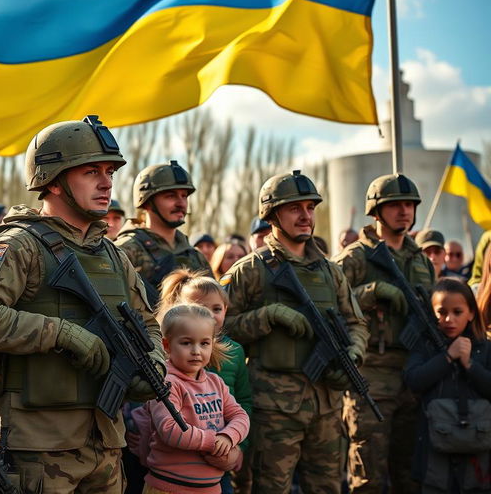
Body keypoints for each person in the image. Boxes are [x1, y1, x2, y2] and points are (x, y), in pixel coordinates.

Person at [0, 115, 165, 494]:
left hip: (106, 446)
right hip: (37, 449)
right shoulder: (19, 244)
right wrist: (63, 334)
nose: (106, 182)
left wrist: (153, 366)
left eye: (110, 171)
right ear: (54, 180)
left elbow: (148, 323)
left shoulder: (113, 256)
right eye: (90, 171)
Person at [224, 170, 368, 494]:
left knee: (327, 487)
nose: (306, 216)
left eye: (310, 208)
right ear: (273, 214)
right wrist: (266, 316)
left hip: (327, 406)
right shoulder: (250, 270)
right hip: (273, 408)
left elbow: (356, 322)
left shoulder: (331, 272)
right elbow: (217, 330)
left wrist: (354, 352)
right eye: (295, 208)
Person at [334, 173, 435, 493]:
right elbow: (330, 309)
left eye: (409, 205)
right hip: (371, 374)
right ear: (376, 212)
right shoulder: (354, 258)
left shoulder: (421, 260)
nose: (404, 211)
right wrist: (371, 292)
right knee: (368, 473)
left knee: (409, 472)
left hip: (414, 373)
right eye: (395, 205)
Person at [130, 303, 250, 494]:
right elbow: (171, 430)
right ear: (166, 345)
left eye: (204, 343)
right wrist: (213, 442)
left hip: (210, 487)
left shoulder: (215, 382)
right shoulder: (165, 383)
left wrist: (228, 436)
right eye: (186, 343)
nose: (196, 351)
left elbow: (240, 415)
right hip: (168, 486)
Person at [158, 271, 253, 494]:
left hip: (216, 468)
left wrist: (235, 444)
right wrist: (214, 441)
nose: (208, 315)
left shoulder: (228, 361)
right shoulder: (168, 372)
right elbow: (156, 420)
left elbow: (243, 405)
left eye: (216, 309)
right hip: (173, 473)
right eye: (200, 307)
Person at [404, 280, 491, 493]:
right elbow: (414, 380)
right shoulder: (425, 346)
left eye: (457, 312)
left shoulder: (485, 349)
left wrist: (470, 365)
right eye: (441, 312)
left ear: (471, 313)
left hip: (477, 453)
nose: (449, 319)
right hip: (435, 456)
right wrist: (447, 357)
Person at [115, 160, 212, 306]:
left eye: (184, 196)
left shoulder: (195, 256)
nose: (181, 203)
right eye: (171, 196)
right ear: (147, 202)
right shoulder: (124, 252)